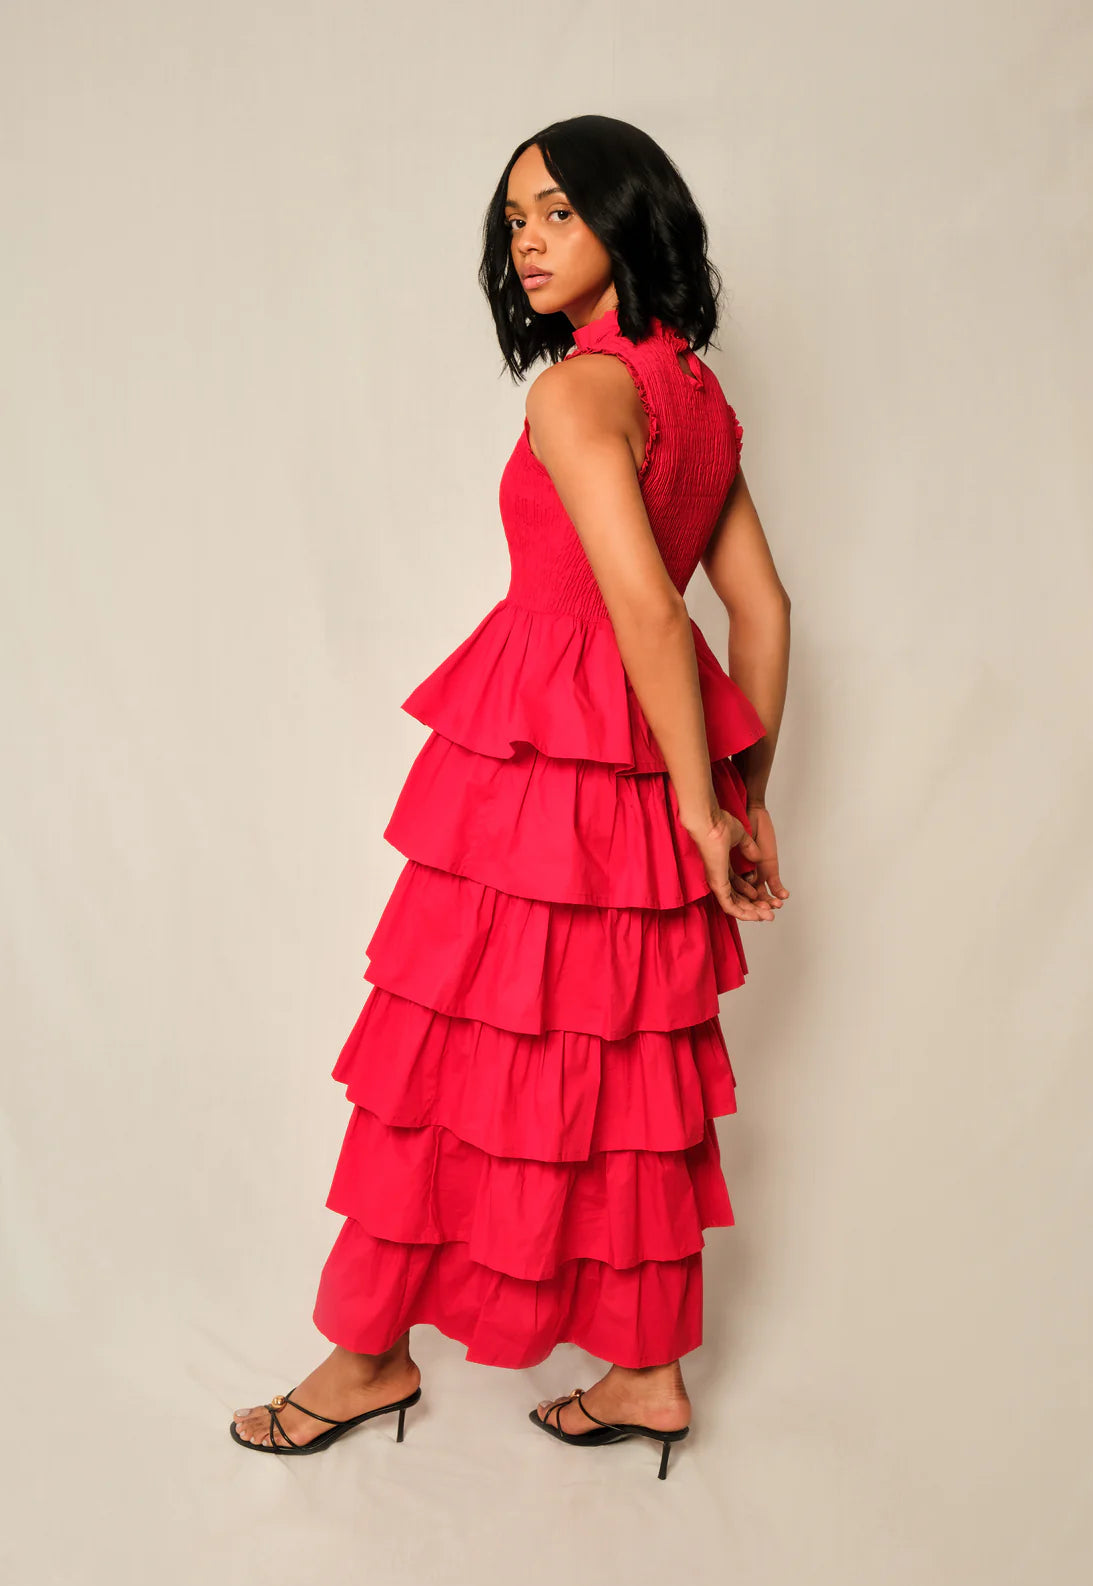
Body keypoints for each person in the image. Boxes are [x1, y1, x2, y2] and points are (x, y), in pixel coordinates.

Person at [229, 114, 791, 1479]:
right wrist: (733, 787)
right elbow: (764, 611)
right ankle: (648, 1371)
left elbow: (653, 613)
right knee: (625, 1064)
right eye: (514, 221)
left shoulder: (578, 392)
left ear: (625, 214)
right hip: (648, 780)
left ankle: (367, 1355)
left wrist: (717, 807)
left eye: (554, 211)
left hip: (541, 768)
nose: (527, 241)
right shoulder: (697, 394)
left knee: (436, 1062)